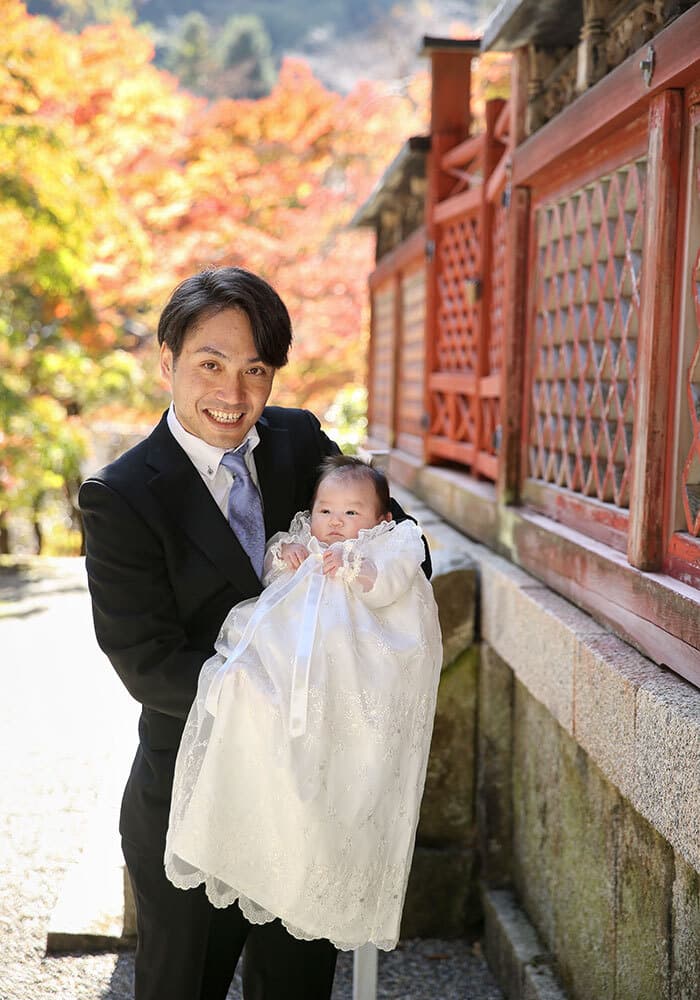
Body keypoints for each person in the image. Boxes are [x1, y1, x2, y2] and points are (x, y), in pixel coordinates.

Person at [78, 266, 429, 1000]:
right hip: (193, 793)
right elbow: (146, 662)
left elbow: (392, 535)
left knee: (296, 984)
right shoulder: (120, 495)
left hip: (307, 794)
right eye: (210, 364)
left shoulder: (298, 441)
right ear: (167, 361)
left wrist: (365, 583)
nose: (232, 396)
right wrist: (264, 698)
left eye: (255, 371)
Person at [164, 455, 443, 953]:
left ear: (381, 518)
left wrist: (358, 567)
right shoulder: (305, 539)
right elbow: (272, 574)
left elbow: (397, 581)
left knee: (333, 774)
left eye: (352, 514)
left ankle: (312, 871)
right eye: (326, 512)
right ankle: (241, 829)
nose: (336, 524)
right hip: (288, 660)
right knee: (243, 690)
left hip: (353, 667)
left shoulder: (389, 543)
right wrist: (286, 555)